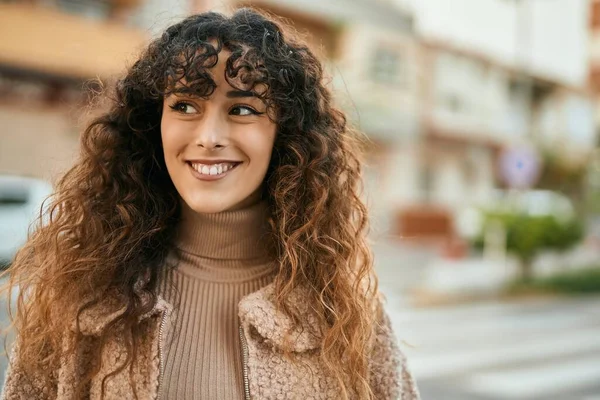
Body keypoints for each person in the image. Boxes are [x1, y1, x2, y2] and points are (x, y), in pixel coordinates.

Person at [0, 8, 420, 400]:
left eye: (241, 108)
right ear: (153, 124)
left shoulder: (345, 310)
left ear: (284, 135)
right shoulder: (80, 292)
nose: (208, 136)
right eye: (184, 106)